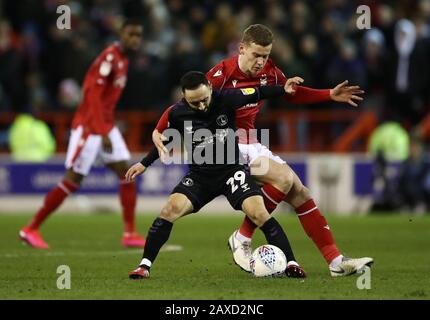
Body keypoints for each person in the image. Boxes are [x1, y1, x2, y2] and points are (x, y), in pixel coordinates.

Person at [142, 24, 373, 277]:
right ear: (242, 49)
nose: (261, 61)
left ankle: (335, 260)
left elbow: (291, 94)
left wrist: (328, 94)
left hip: (250, 141)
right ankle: (243, 236)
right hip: (224, 144)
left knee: (299, 191)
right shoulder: (220, 75)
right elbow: (184, 104)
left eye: (266, 55)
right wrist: (160, 128)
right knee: (283, 178)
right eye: (256, 55)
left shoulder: (270, 72)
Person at [127, 71, 307, 279]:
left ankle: (292, 263)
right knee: (169, 209)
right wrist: (144, 163)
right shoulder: (176, 113)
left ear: (210, 89)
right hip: (200, 177)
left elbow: (258, 92)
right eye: (195, 103)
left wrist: (282, 89)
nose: (202, 106)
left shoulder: (228, 97)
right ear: (184, 98)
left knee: (259, 213)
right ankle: (144, 266)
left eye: (204, 100)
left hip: (231, 172)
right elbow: (165, 140)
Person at [19, 19, 146, 249]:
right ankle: (30, 228)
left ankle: (130, 233)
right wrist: (100, 130)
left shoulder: (123, 60)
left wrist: (107, 127)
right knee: (73, 180)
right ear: (121, 34)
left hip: (105, 126)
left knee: (127, 172)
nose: (135, 39)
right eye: (131, 35)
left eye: (138, 35)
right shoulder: (109, 58)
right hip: (90, 127)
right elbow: (91, 95)